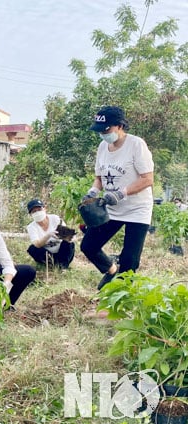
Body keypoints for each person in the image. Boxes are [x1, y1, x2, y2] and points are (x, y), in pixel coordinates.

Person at [80, 106, 154, 290]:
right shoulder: (103, 147)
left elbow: (147, 179)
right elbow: (99, 178)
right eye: (100, 130)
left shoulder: (136, 145)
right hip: (111, 208)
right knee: (89, 246)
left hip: (137, 210)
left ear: (119, 126)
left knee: (129, 261)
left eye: (107, 130)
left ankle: (120, 301)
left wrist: (121, 193)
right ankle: (111, 270)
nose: (103, 134)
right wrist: (92, 192)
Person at [26, 199, 75, 269]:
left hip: (62, 252)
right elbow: (37, 244)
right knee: (32, 248)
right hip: (47, 254)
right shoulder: (31, 227)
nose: (37, 212)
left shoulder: (55, 219)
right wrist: (48, 235)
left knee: (69, 243)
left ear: (45, 209)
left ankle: (63, 265)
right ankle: (51, 264)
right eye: (34, 211)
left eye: (39, 209)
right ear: (31, 214)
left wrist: (67, 236)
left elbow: (68, 235)